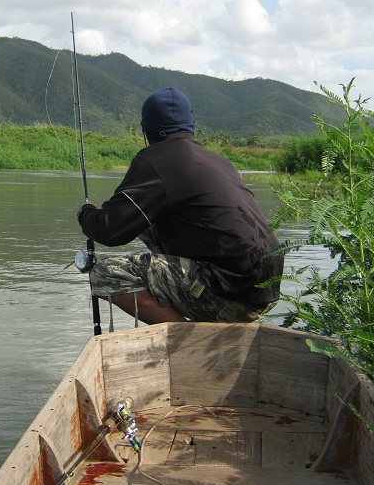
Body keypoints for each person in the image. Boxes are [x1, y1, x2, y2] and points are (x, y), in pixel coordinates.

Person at [77, 87, 283, 325]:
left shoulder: (154, 159)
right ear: (191, 124)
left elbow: (109, 230)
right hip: (263, 290)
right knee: (149, 221)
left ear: (146, 127)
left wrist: (86, 214)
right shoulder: (219, 161)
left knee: (106, 275)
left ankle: (186, 341)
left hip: (230, 294)